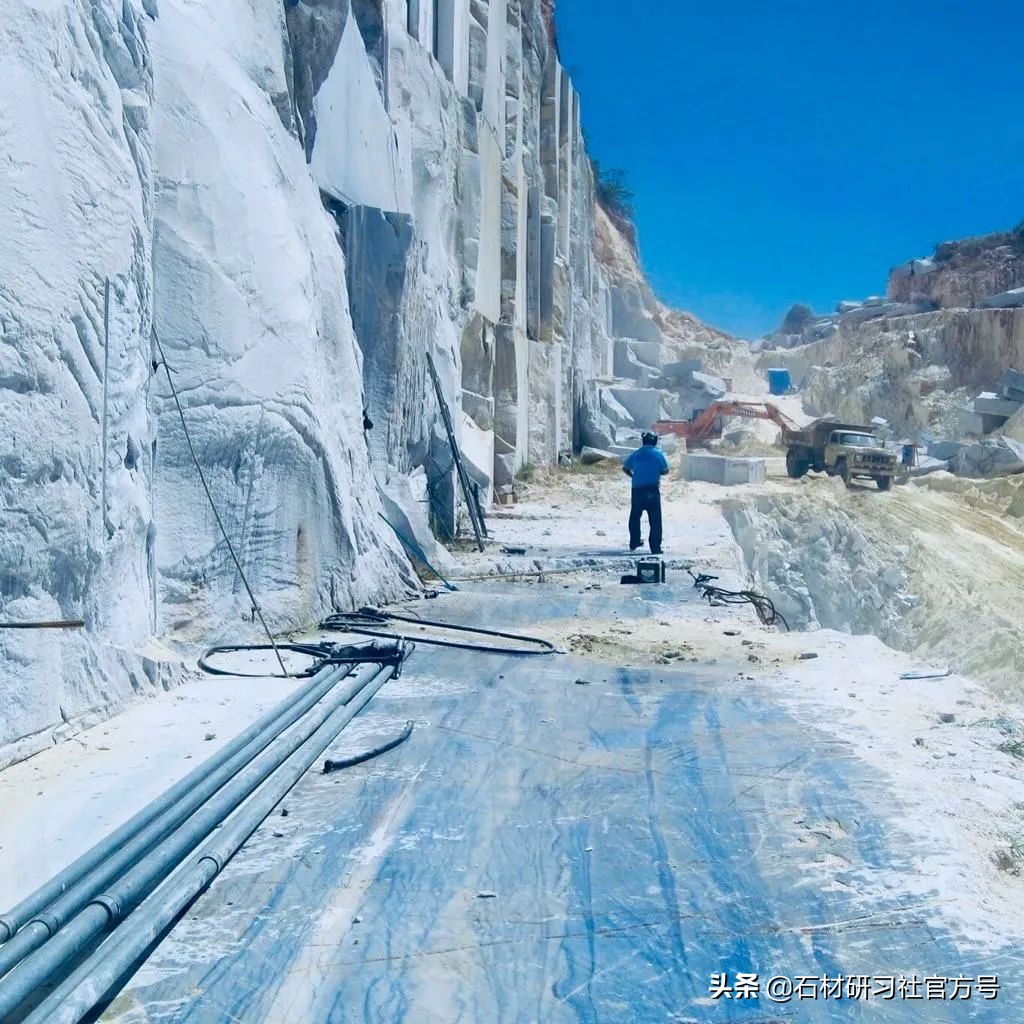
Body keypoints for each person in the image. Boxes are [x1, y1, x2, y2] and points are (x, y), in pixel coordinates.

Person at [623, 431, 670, 554]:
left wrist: (634, 476)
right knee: (655, 520)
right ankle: (655, 548)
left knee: (635, 517)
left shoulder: (637, 453)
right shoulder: (658, 454)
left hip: (637, 490)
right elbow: (665, 470)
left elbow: (625, 468)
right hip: (652, 490)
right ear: (654, 441)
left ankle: (634, 542)